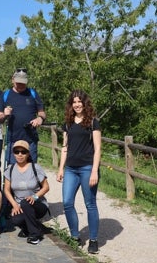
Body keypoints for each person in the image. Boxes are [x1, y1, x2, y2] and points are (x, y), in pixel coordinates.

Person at [56, 90, 102, 254]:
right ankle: (75, 236)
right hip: (70, 169)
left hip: (87, 168)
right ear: (71, 104)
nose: (77, 104)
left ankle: (94, 240)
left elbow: (97, 149)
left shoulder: (92, 122)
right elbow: (65, 147)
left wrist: (94, 171)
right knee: (67, 203)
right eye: (74, 102)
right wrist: (61, 168)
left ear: (84, 103)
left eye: (79, 101)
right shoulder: (68, 123)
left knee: (90, 204)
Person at [3, 140, 50, 245]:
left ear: (28, 153)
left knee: (26, 202)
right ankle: (30, 227)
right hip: (19, 205)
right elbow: (6, 189)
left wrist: (35, 197)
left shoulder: (35, 168)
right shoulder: (10, 169)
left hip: (38, 204)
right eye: (17, 152)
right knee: (15, 220)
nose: (20, 154)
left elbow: (46, 187)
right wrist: (14, 204)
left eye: (23, 152)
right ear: (13, 153)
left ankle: (35, 234)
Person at [0, 68, 46, 164]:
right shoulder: (5, 95)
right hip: (12, 141)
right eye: (18, 82)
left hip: (30, 141)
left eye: (23, 83)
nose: (20, 85)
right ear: (12, 80)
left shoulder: (33, 93)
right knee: (12, 172)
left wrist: (40, 118)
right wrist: (5, 115)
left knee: (30, 172)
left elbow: (42, 112)